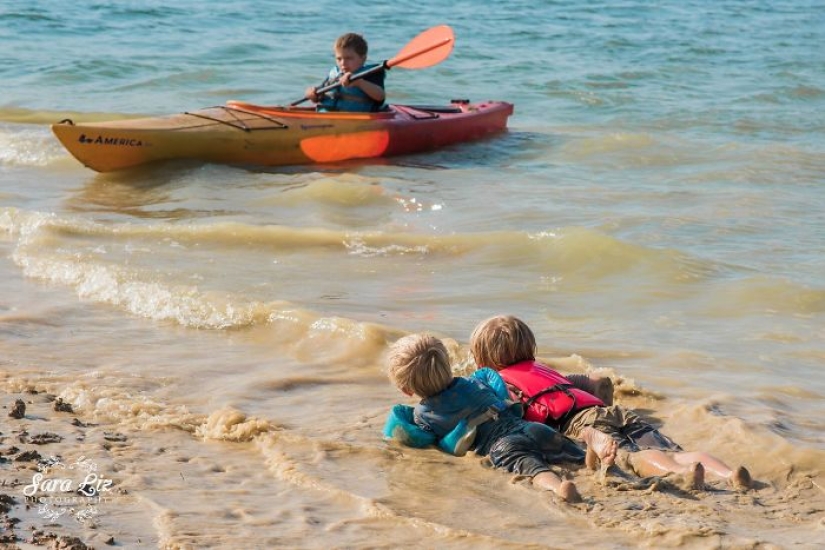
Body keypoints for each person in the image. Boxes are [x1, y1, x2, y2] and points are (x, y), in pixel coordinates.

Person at [469, 315, 753, 491]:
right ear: (528, 348)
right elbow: (590, 382)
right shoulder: (543, 369)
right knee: (672, 449)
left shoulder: (503, 382)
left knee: (632, 457)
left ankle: (681, 473)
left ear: (484, 361)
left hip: (581, 422)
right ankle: (728, 473)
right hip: (609, 411)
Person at [384, 333, 588, 503]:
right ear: (448, 364)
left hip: (503, 446)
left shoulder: (423, 415)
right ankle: (592, 457)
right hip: (531, 428)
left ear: (406, 390)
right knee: (574, 454)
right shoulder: (473, 383)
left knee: (533, 468)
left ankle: (557, 487)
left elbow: (421, 439)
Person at [304, 32, 386, 112]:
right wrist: (313, 95)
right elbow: (321, 96)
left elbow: (380, 97)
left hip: (356, 119)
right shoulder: (335, 73)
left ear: (363, 58)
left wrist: (360, 83)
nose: (343, 63)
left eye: (349, 58)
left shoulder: (370, 74)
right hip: (327, 116)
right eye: (339, 59)